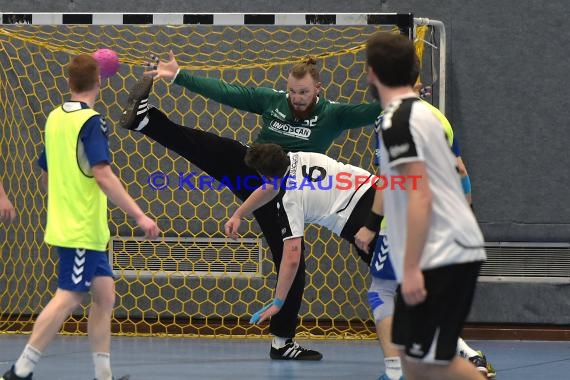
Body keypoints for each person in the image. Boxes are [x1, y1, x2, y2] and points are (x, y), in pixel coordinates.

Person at [119, 53, 381, 360]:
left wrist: (407, 97)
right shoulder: (272, 101)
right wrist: (179, 75)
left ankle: (282, 342)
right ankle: (146, 120)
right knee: (219, 150)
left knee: (291, 261)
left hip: (288, 192)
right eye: (293, 92)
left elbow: (374, 110)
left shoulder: (334, 115)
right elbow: (227, 92)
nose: (297, 99)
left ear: (318, 89)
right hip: (259, 170)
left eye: (304, 93)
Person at [1, 54, 159, 380]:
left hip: (80, 226)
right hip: (80, 228)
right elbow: (103, 174)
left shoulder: (54, 118)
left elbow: (45, 173)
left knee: (104, 297)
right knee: (70, 296)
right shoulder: (92, 122)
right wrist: (140, 216)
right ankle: (20, 370)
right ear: (100, 81)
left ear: (68, 82)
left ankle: (103, 376)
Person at [356, 31, 487, 380]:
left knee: (426, 359)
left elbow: (413, 191)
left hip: (439, 246)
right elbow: (460, 171)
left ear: (371, 73)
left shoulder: (395, 121)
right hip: (455, 241)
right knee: (419, 359)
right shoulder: (429, 115)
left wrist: (410, 267)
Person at [223, 143, 382, 325]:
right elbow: (273, 185)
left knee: (390, 284)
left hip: (359, 223)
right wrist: (239, 214)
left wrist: (278, 302)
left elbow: (292, 258)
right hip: (381, 193)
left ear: (263, 175)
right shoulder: (298, 156)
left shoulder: (290, 200)